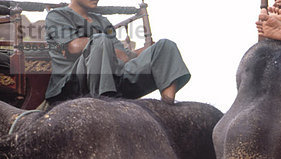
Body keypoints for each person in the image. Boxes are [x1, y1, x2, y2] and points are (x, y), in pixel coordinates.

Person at [45, 0, 191, 103]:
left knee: (164, 45)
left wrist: (144, 52)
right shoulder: (58, 15)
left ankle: (167, 105)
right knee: (100, 40)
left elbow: (125, 57)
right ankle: (103, 103)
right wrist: (108, 47)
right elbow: (74, 47)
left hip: (112, 77)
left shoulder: (103, 21)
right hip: (77, 83)